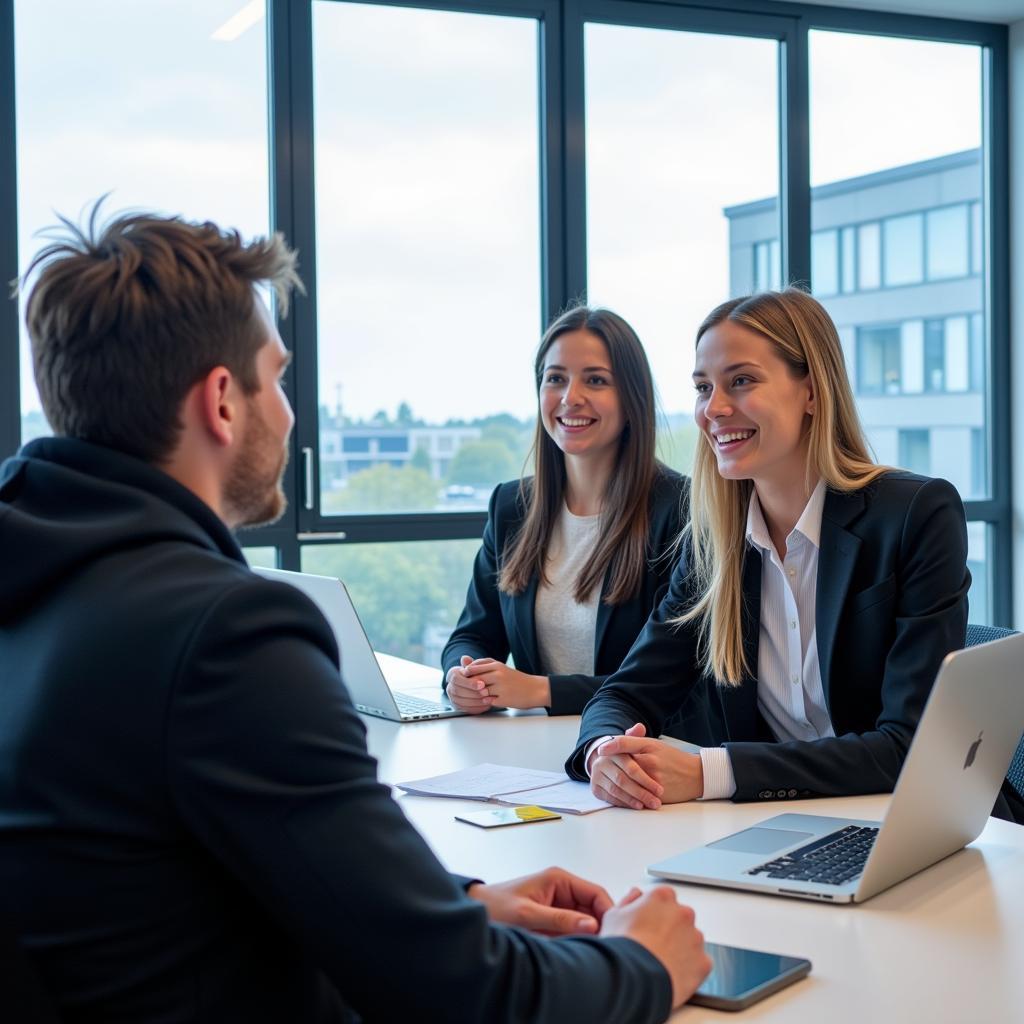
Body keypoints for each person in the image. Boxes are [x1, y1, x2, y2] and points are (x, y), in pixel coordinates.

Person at [0, 208, 712, 1023]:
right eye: (278, 377)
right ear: (223, 402)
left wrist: (458, 902)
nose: (292, 411)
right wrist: (642, 965)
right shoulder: (225, 635)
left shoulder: (41, 590)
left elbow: (188, 868)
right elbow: (465, 995)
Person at [565, 287, 986, 813]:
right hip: (780, 822)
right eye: (702, 387)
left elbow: (909, 748)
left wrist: (707, 772)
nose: (713, 409)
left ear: (811, 390)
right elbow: (623, 694)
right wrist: (606, 752)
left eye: (741, 381)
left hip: (905, 822)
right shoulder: (714, 542)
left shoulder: (916, 514)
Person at [443, 306, 688, 716]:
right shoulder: (511, 508)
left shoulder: (679, 511)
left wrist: (543, 691)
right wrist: (462, 675)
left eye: (595, 380)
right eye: (555, 378)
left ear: (631, 397)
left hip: (642, 752)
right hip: (536, 749)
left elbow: (675, 679)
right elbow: (471, 635)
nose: (571, 398)